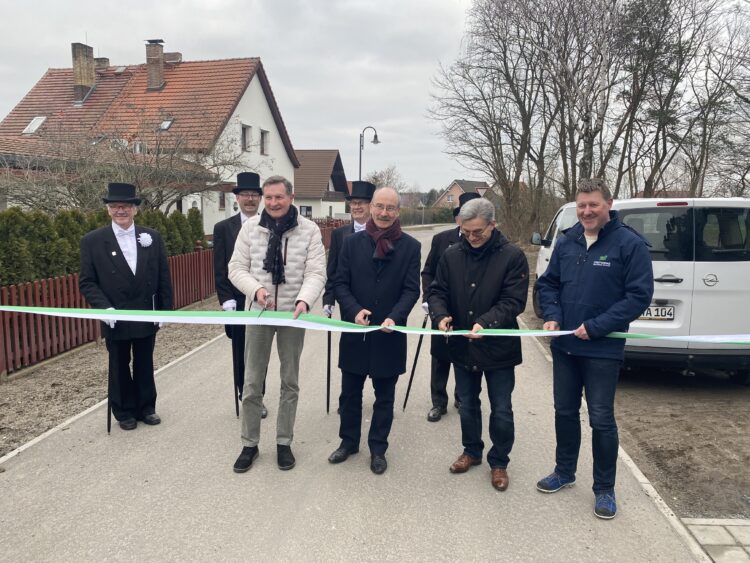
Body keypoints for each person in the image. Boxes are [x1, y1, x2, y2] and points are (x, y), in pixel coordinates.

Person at [535, 178, 653, 519]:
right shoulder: (568, 240)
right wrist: (554, 317)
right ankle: (564, 472)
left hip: (602, 351)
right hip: (565, 348)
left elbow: (638, 297)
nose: (587, 211)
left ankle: (604, 489)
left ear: (608, 204)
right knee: (564, 412)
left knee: (601, 420)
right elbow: (548, 284)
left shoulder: (629, 244)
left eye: (594, 205)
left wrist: (598, 327)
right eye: (582, 205)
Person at [428, 198, 529, 491]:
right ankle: (471, 451)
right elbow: (437, 291)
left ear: (492, 225)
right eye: (466, 232)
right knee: (468, 404)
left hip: (498, 348)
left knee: (501, 408)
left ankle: (499, 461)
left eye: (478, 232)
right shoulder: (451, 255)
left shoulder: (512, 256)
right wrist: (440, 315)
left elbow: (514, 301)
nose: (471, 238)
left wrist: (487, 323)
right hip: (463, 346)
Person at [228, 175, 326, 473]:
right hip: (258, 313)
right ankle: (249, 443)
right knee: (252, 381)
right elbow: (236, 268)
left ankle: (284, 442)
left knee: (290, 381)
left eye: (278, 197)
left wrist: (304, 300)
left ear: (291, 197)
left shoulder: (309, 231)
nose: (273, 203)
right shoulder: (250, 228)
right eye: (268, 198)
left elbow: (316, 272)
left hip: (293, 316)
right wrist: (255, 290)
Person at [328, 186, 421, 475]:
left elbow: (410, 290)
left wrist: (395, 317)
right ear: (371, 208)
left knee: (385, 398)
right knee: (350, 395)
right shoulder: (351, 243)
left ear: (397, 212)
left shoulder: (410, 246)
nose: (383, 213)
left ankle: (378, 448)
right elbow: (340, 283)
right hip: (356, 333)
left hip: (389, 335)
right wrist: (353, 310)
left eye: (390, 208)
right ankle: (349, 442)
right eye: (379, 206)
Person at [79, 182, 173, 431]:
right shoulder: (92, 241)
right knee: (119, 363)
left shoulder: (151, 237)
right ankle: (123, 410)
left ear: (135, 209)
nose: (121, 211)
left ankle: (147, 407)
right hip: (115, 314)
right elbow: (87, 282)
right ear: (108, 210)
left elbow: (163, 275)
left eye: (126, 206)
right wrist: (104, 308)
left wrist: (164, 310)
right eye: (115, 206)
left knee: (144, 360)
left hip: (144, 312)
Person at [421, 191, 480, 422]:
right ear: (458, 218)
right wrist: (429, 300)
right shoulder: (442, 240)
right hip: (443, 309)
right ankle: (438, 401)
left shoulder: (483, 241)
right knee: (440, 356)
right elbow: (428, 272)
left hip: (471, 312)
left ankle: (461, 397)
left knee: (465, 356)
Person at [212, 171, 267, 418]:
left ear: (260, 198)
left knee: (258, 353)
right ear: (237, 198)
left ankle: (258, 397)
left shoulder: (269, 225)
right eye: (245, 194)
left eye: (254, 195)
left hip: (261, 301)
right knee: (239, 354)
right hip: (236, 301)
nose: (250, 199)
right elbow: (220, 268)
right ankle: (242, 394)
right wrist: (227, 300)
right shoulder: (223, 228)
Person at [321, 180, 376, 317]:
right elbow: (332, 270)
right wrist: (329, 298)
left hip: (375, 298)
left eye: (361, 203)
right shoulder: (339, 234)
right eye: (353, 203)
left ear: (371, 206)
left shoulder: (380, 233)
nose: (356, 207)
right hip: (348, 300)